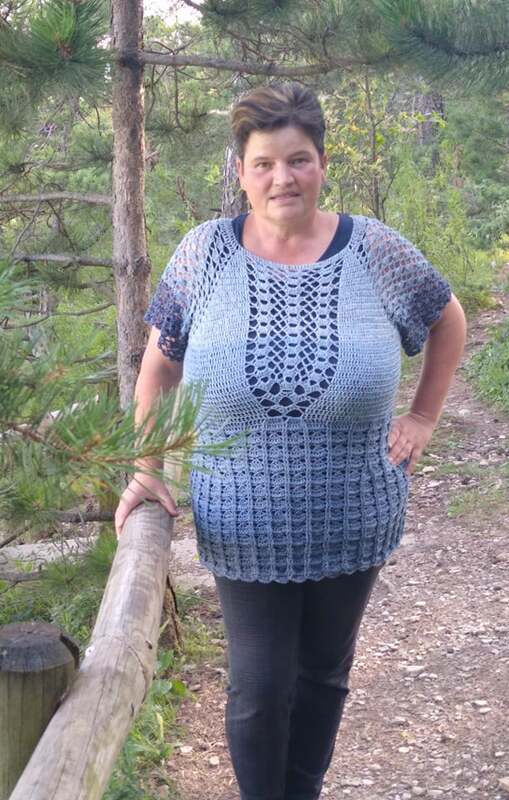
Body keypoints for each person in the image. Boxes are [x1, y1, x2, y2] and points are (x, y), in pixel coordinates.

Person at [115, 83, 467, 800]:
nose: (284, 178)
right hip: (240, 520)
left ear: (322, 164)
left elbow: (447, 318)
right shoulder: (204, 254)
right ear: (241, 172)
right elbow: (158, 368)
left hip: (354, 513)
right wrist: (146, 468)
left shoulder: (374, 249)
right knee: (258, 687)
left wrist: (424, 418)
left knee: (324, 676)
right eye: (265, 163)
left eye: (299, 160)